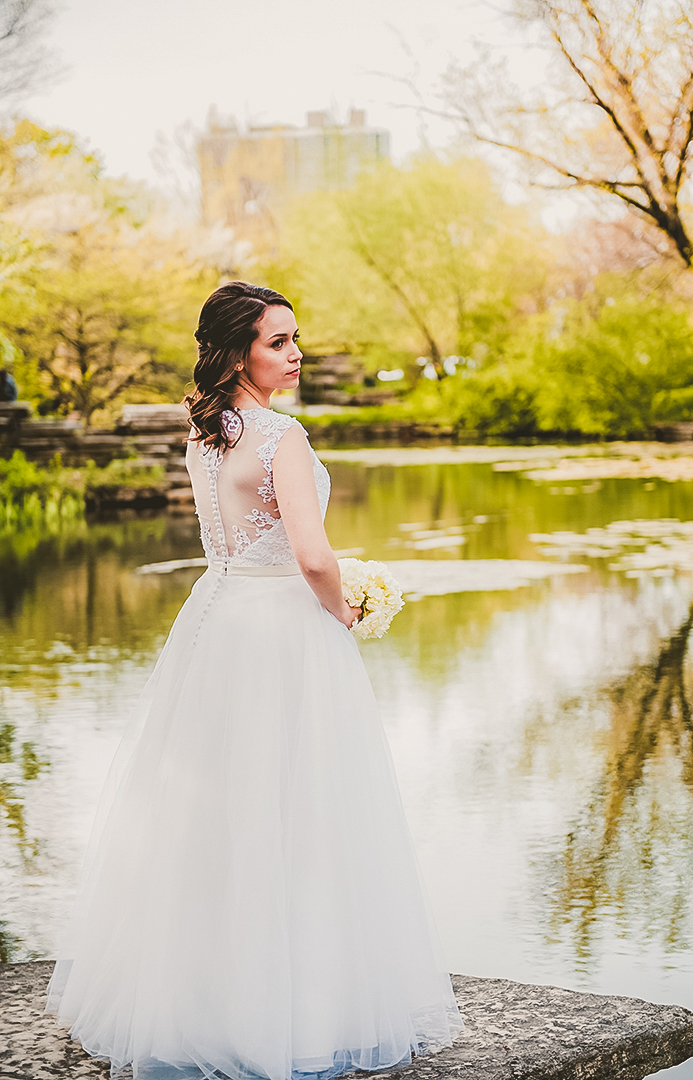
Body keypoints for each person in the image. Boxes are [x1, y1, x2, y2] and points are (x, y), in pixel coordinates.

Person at [46, 281, 462, 1080]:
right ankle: (295, 1009)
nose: (295, 352)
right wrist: (345, 606)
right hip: (281, 636)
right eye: (277, 341)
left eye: (294, 337)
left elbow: (231, 542)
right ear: (238, 349)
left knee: (213, 814)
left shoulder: (204, 430)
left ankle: (198, 997)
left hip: (217, 619)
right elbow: (309, 555)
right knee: (300, 810)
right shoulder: (282, 438)